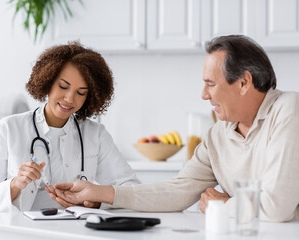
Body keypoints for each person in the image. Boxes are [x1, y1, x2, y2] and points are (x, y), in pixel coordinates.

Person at [46, 35, 299, 222]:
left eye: (210, 84)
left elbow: (277, 209)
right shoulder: (217, 135)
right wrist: (101, 193)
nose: (203, 95)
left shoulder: (288, 110)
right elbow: (177, 191)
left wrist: (225, 205)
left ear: (244, 82)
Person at [0, 42, 140, 213]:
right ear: (48, 81)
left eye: (80, 92)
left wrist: (96, 201)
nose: (69, 98)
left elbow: (131, 189)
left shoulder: (95, 134)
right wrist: (15, 184)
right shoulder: (8, 129)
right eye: (63, 86)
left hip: (73, 231)